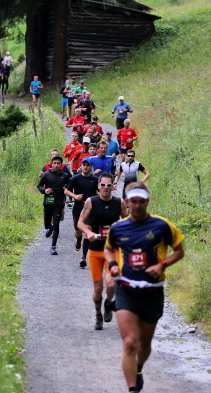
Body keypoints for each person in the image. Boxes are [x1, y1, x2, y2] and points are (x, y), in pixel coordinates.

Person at [104, 181, 184, 392]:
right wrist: (112, 266)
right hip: (126, 290)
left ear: (147, 201)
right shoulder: (118, 228)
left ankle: (138, 367)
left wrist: (162, 265)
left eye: (141, 201)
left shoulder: (163, 226)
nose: (137, 206)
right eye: (133, 202)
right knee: (130, 343)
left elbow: (179, 251)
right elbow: (109, 249)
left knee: (144, 344)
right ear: (127, 202)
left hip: (152, 291)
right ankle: (133, 389)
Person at [78, 172, 128, 330]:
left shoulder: (120, 202)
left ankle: (108, 304)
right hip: (95, 250)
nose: (105, 188)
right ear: (98, 186)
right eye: (103, 185)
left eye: (108, 185)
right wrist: (88, 232)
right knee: (98, 288)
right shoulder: (91, 202)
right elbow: (80, 222)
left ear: (113, 187)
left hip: (113, 250)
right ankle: (98, 315)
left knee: (112, 284)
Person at [64, 159, 99, 264]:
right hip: (78, 206)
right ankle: (78, 240)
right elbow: (66, 190)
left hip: (90, 208)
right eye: (84, 165)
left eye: (88, 165)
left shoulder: (95, 179)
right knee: (78, 230)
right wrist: (75, 196)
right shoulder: (75, 178)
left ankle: (83, 257)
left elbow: (100, 191)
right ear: (81, 166)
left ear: (91, 167)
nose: (86, 167)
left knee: (87, 230)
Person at [37, 156, 70, 255]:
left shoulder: (65, 176)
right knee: (47, 225)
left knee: (56, 224)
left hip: (59, 203)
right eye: (54, 163)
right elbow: (39, 185)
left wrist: (67, 191)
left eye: (58, 163)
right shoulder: (46, 174)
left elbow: (70, 186)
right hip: (48, 202)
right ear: (52, 164)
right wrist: (44, 190)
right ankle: (50, 228)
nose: (56, 165)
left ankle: (53, 247)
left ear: (61, 165)